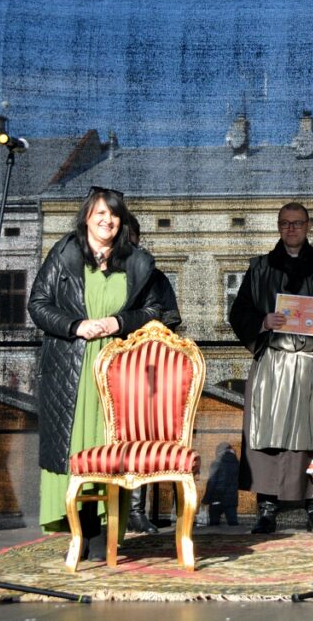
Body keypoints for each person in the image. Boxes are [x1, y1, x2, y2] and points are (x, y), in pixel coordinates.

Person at [28, 186, 162, 560]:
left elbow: (154, 310)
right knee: (74, 449)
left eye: (114, 214)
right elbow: (38, 305)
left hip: (118, 371)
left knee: (111, 449)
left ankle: (107, 532)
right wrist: (76, 326)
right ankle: (80, 531)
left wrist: (119, 321)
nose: (107, 220)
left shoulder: (137, 260)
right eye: (100, 213)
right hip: (70, 369)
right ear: (87, 216)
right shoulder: (64, 254)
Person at [229, 202, 313, 534]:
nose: (291, 229)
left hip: (312, 363)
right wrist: (263, 321)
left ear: (308, 226)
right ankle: (267, 508)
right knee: (268, 435)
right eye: (285, 223)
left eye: (298, 223)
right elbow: (239, 311)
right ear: (279, 227)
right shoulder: (260, 268)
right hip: (274, 362)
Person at [125, 215, 183, 535]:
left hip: (143, 368)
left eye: (130, 235)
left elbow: (170, 321)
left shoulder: (155, 278)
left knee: (140, 436)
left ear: (138, 238)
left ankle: (136, 510)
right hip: (104, 366)